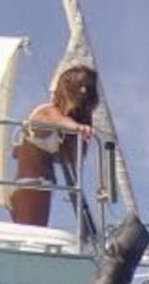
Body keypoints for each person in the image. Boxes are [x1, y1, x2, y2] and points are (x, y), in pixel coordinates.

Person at [7, 65, 99, 227]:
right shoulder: (46, 111)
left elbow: (71, 160)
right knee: (32, 236)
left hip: (41, 184)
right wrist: (78, 128)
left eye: (88, 87)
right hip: (31, 184)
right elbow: (58, 120)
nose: (84, 91)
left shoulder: (62, 126)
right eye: (80, 85)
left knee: (35, 234)